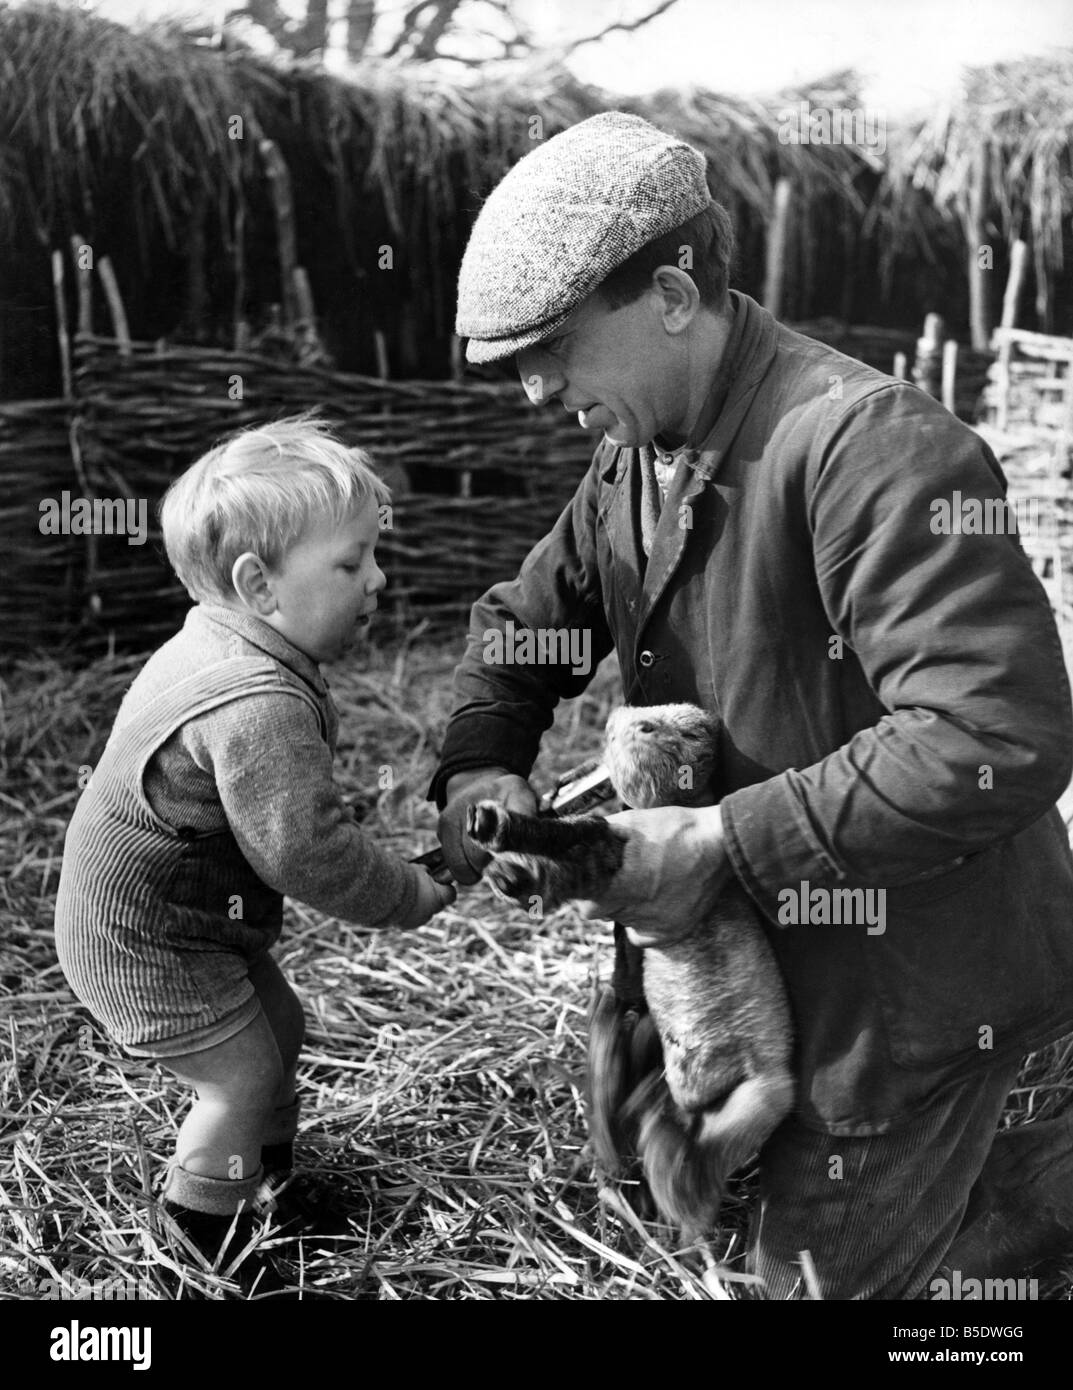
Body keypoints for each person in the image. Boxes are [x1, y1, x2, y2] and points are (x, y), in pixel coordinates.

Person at [430, 111, 1073, 1299]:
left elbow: (995, 733)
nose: (532, 389)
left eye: (553, 347)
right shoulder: (634, 458)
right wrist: (482, 760)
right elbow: (522, 626)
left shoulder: (870, 449)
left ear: (673, 294)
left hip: (909, 1012)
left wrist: (722, 840)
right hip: (765, 978)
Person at [54, 416, 455, 1269]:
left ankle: (266, 1184)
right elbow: (305, 850)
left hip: (187, 924)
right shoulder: (255, 704)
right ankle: (208, 1244)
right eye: (352, 563)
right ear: (258, 584)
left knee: (278, 1026)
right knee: (236, 1079)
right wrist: (405, 894)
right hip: (142, 941)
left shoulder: (216, 636)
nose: (378, 579)